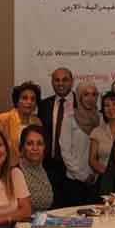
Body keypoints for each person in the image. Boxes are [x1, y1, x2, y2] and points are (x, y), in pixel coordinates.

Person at [59, 81, 99, 205]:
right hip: (74, 180)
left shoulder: (101, 118)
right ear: (79, 97)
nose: (90, 98)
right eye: (86, 94)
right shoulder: (69, 118)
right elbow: (65, 150)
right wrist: (83, 175)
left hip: (96, 180)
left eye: (94, 95)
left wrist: (96, 175)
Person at [38, 67, 74, 195]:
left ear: (72, 82)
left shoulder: (80, 103)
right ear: (52, 82)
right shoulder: (43, 105)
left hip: (75, 166)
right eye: (57, 80)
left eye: (65, 80)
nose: (60, 83)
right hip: (50, 165)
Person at [0, 82, 42, 167]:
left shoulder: (37, 122)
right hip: (8, 169)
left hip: (32, 168)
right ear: (17, 101)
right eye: (24, 98)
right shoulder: (2, 120)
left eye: (33, 99)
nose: (29, 102)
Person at [17, 124, 54, 213]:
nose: (35, 148)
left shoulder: (51, 171)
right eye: (29, 144)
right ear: (22, 147)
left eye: (39, 144)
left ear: (45, 147)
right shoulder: (16, 172)